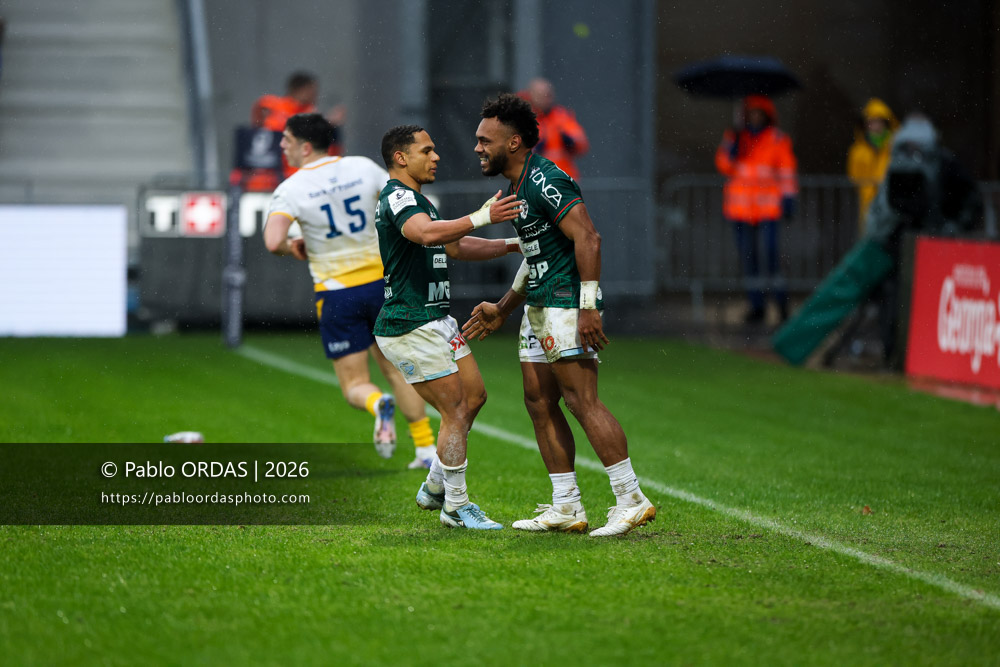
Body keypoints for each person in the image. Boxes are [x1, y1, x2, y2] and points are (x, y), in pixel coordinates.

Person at [462, 93, 656, 538]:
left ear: (512, 143)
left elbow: (588, 238)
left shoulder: (546, 179)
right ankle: (566, 504)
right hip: (538, 305)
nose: (477, 148)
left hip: (564, 302)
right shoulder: (515, 187)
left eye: (484, 140)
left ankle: (630, 498)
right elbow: (536, 256)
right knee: (538, 401)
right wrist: (504, 308)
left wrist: (589, 307)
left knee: (580, 400)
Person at [263, 113, 437, 469]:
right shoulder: (362, 167)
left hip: (338, 292)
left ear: (305, 146)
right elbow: (398, 197)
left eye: (286, 140)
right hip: (383, 283)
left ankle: (377, 405)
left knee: (356, 383)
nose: (282, 145)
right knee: (397, 369)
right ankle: (424, 448)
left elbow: (272, 240)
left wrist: (292, 246)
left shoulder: (291, 188)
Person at [374, 124, 523, 530]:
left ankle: (436, 485)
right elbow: (423, 234)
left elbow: (454, 246)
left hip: (435, 319)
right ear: (401, 158)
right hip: (410, 323)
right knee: (454, 408)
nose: (436, 156)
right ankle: (455, 506)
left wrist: (512, 245)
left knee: (473, 399)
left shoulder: (419, 199)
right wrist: (482, 215)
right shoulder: (400, 196)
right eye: (427, 149)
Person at [715, 95, 798, 324]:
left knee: (771, 256)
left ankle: (781, 304)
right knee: (748, 257)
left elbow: (786, 170)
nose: (755, 118)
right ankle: (757, 305)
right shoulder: (735, 137)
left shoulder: (777, 139)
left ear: (767, 116)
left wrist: (789, 197)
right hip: (741, 209)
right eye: (751, 113)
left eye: (759, 114)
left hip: (767, 208)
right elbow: (723, 164)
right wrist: (732, 146)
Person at [237, 72, 347, 192]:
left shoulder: (312, 114)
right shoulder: (272, 106)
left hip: (297, 178)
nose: (315, 96)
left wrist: (332, 128)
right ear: (301, 90)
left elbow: (328, 152)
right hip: (267, 179)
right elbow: (257, 123)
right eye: (312, 92)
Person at [847, 98, 899, 235]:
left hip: (889, 204)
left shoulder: (894, 148)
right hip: (867, 204)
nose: (875, 126)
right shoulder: (858, 151)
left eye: (879, 122)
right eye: (871, 122)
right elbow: (854, 177)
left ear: (886, 124)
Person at [520, 78, 589, 180]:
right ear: (531, 95)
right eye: (541, 95)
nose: (546, 99)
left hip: (564, 178)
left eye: (548, 95)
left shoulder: (561, 116)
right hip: (534, 179)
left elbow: (582, 143)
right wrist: (534, 148)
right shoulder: (524, 118)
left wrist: (571, 142)